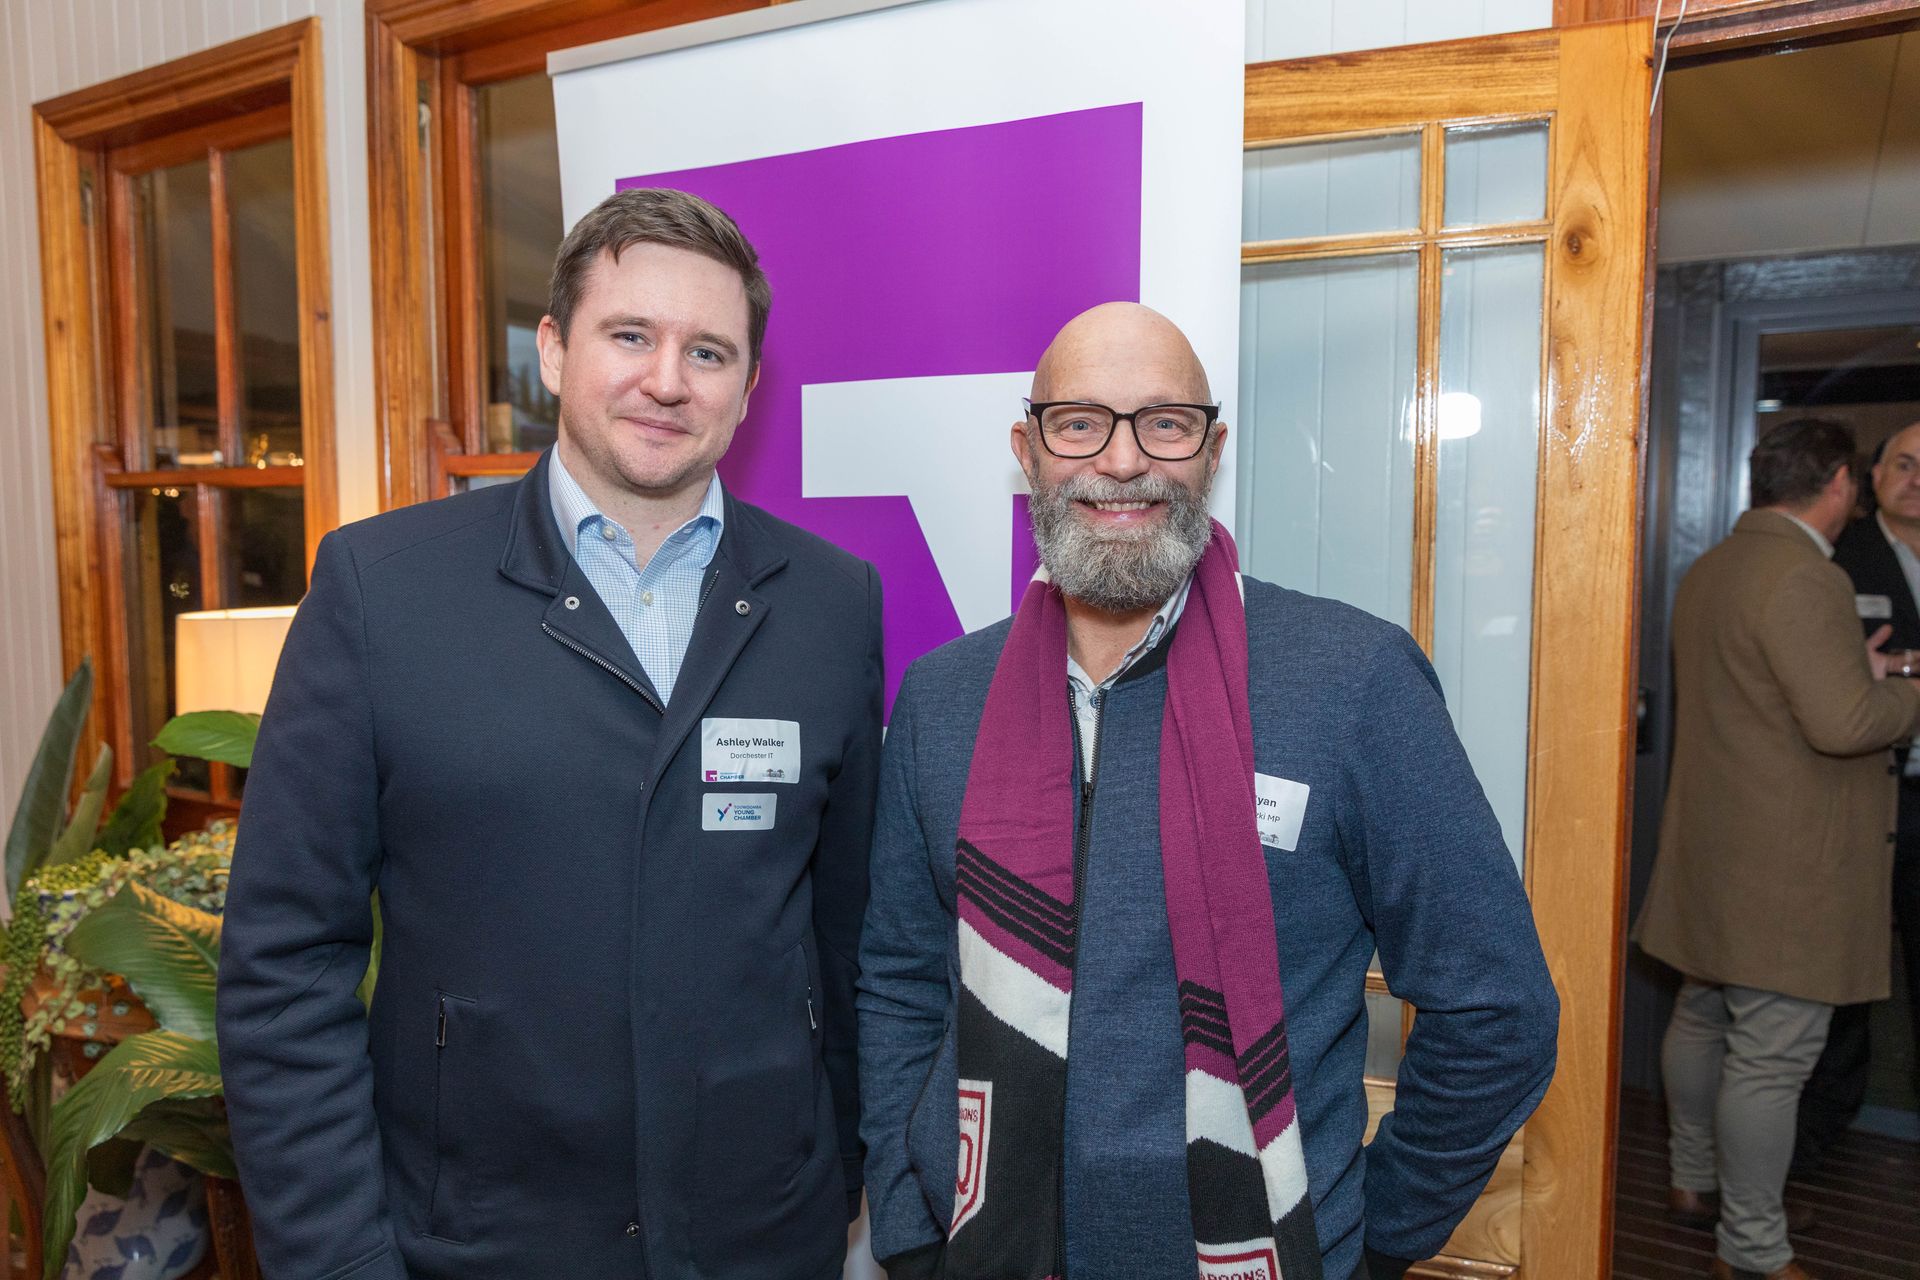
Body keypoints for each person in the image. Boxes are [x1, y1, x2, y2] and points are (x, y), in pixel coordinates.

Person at [217, 188, 883, 1280]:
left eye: (708, 351)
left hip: (763, 1237)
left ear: (750, 385)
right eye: (630, 335)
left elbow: (849, 938)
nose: (666, 380)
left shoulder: (831, 603)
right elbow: (284, 964)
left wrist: (833, 1175)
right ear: (554, 349)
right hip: (475, 1243)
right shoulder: (382, 590)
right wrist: (339, 1258)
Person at [856, 303, 1559, 1280]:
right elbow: (899, 975)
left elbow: (1496, 1009)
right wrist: (906, 1221)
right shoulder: (942, 697)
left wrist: (1369, 1238)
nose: (1123, 461)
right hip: (975, 1252)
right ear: (1028, 451)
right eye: (1078, 423)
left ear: (1212, 451)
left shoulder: (1354, 681)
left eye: (1166, 423)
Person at [1634, 417, 1920, 1280]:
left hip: (1715, 849)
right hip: (1788, 866)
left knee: (1700, 1017)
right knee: (1771, 1060)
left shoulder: (1716, 566)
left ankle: (1691, 1182)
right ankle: (1753, 1250)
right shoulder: (1807, 575)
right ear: (1840, 483)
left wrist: (1863, 672)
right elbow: (1845, 725)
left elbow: (1769, 693)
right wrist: (1910, 690)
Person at [1795, 417, 1920, 1169]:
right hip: (1863, 792)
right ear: (1872, 477)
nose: (1917, 479)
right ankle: (1819, 1138)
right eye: (1904, 463)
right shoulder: (1836, 559)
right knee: (1846, 976)